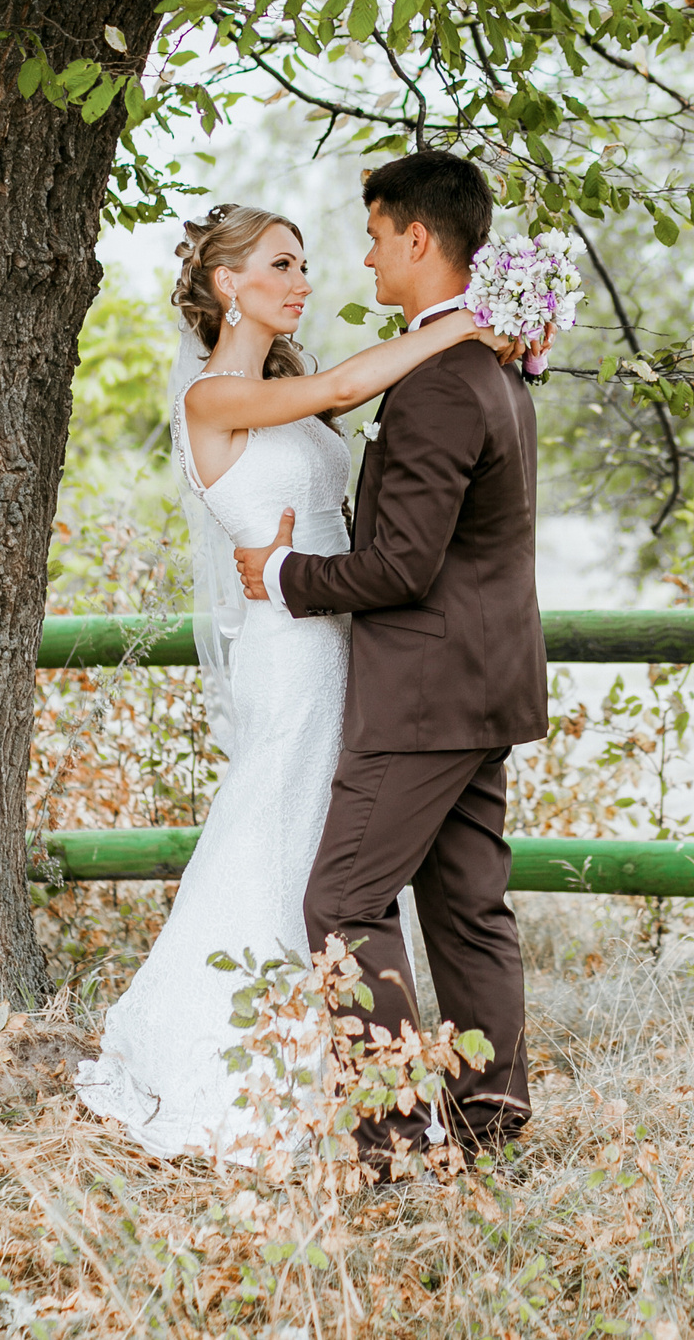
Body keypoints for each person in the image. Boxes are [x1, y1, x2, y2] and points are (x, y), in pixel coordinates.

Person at [74, 193, 519, 1160]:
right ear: (227, 284)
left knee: (342, 869)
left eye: (306, 263)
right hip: (289, 651)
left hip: (351, 644)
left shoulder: (298, 379)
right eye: (279, 264)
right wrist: (469, 325)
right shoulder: (214, 400)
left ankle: (364, 1083)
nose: (302, 280)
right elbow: (350, 388)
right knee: (290, 853)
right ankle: (278, 1079)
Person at [235, 148, 547, 1171]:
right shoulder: (489, 364)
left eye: (374, 239)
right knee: (467, 911)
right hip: (485, 683)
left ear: (418, 238)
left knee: (343, 902)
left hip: (421, 694)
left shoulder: (441, 384)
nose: (365, 262)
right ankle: (489, 1129)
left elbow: (402, 566)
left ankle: (395, 1141)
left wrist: (284, 575)